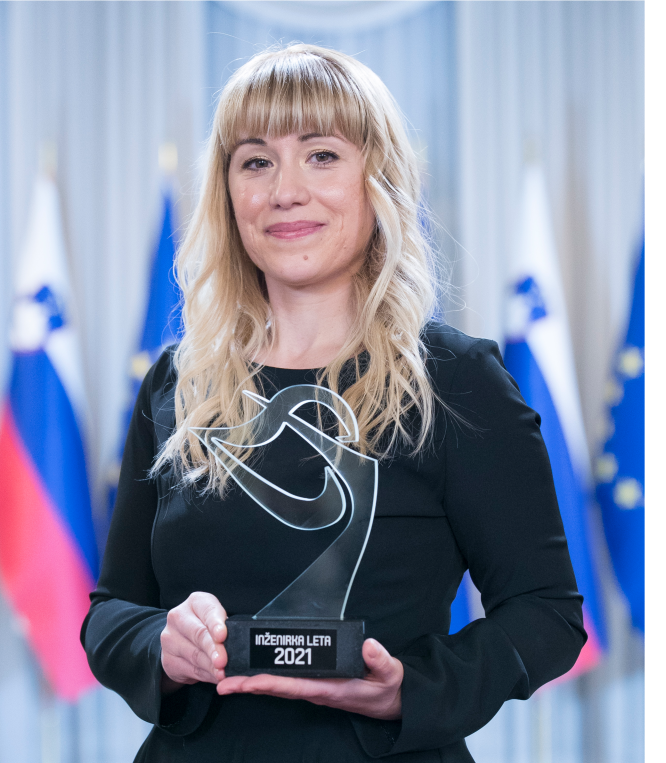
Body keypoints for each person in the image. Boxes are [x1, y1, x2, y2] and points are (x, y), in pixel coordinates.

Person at [81, 45, 587, 761]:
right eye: (255, 161)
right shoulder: (176, 381)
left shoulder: (457, 379)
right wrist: (161, 644)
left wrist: (409, 686)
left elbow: (547, 613)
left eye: (321, 155)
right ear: (227, 193)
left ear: (377, 181)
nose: (285, 190)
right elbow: (110, 613)